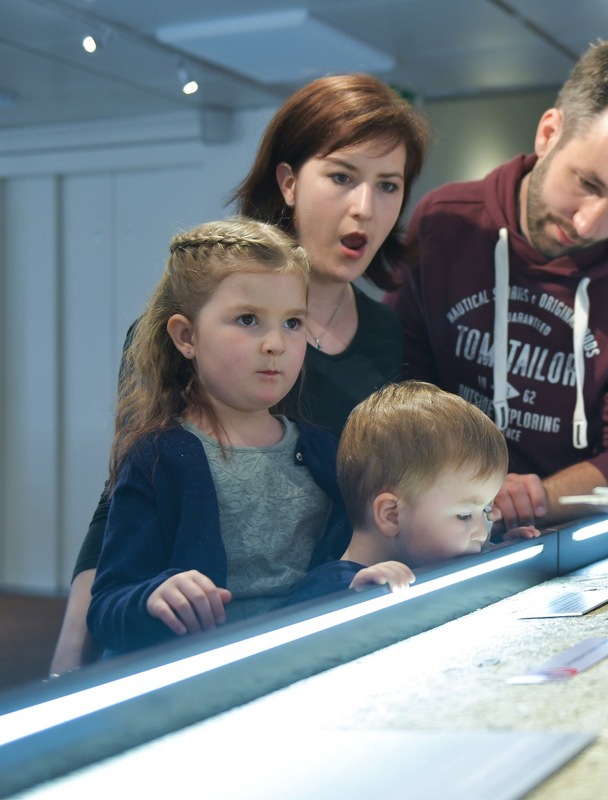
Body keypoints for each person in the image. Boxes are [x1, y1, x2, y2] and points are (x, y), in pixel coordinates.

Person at [51, 74, 431, 671]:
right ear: (288, 182)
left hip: (319, 639)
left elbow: (367, 504)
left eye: (388, 185)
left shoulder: (386, 334)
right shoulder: (178, 331)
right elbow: (120, 502)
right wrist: (69, 658)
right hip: (193, 644)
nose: (365, 207)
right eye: (341, 177)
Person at [389, 31, 608, 535]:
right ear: (548, 133)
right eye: (587, 183)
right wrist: (463, 498)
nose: (589, 224)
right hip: (437, 523)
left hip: (569, 534)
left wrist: (532, 498)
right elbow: (402, 383)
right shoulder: (446, 221)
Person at [88, 219, 389, 653]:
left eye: (292, 323)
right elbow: (107, 608)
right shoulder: (157, 456)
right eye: (248, 319)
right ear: (186, 336)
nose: (275, 344)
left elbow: (375, 537)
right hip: (198, 674)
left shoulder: (325, 450)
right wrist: (152, 597)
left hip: (302, 661)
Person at [288, 381, 525, 605]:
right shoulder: (330, 590)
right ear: (392, 515)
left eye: (486, 511)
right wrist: (359, 598)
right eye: (464, 516)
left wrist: (503, 553)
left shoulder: (431, 562)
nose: (482, 534)